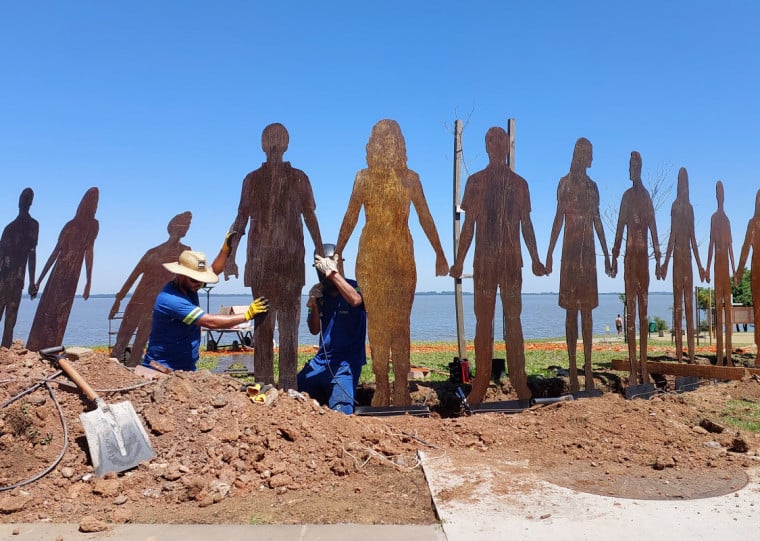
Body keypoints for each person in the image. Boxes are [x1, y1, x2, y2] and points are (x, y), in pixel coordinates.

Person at [336, 119, 448, 407]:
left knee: (400, 324)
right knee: (376, 325)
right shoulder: (363, 178)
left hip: (401, 257)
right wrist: (337, 252)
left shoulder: (410, 178)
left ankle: (400, 387)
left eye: (390, 140)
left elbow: (425, 216)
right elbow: (350, 216)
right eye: (379, 140)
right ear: (373, 145)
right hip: (371, 256)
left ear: (398, 145)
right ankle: (381, 387)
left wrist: (439, 252)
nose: (384, 145)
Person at [450, 126, 546, 404]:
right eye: (490, 140)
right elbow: (468, 227)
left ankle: (520, 382)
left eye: (500, 140)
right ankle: (480, 384)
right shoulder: (475, 182)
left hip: (511, 261)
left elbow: (526, 225)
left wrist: (535, 258)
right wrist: (459, 262)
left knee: (514, 320)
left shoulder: (520, 184)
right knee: (483, 321)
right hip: (484, 262)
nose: (495, 144)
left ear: (507, 146)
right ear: (486, 146)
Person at [224, 123, 323, 390]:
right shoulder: (252, 179)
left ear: (287, 145)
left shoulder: (300, 178)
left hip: (291, 264)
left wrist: (319, 248)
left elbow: (310, 215)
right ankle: (263, 383)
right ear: (264, 145)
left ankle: (289, 386)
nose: (276, 146)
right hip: (260, 264)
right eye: (271, 141)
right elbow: (240, 219)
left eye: (280, 141)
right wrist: (230, 255)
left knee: (289, 330)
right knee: (263, 327)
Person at [143, 234, 269, 372]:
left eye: (201, 279)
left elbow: (215, 269)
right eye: (195, 280)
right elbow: (209, 322)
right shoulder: (171, 300)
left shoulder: (188, 286)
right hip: (161, 369)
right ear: (180, 275)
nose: (199, 284)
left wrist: (225, 249)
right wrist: (247, 315)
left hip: (185, 369)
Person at [546, 137, 612, 393]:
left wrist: (607, 253)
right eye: (590, 155)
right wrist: (550, 253)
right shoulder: (565, 183)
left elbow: (597, 220)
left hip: (589, 253)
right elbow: (558, 219)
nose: (592, 160)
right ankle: (573, 370)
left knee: (587, 312)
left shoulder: (593, 187)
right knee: (571, 311)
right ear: (581, 155)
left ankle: (588, 370)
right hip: (570, 253)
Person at [109, 211, 192, 366]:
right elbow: (133, 277)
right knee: (122, 336)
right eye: (184, 224)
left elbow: (187, 280)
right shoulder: (152, 252)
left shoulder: (185, 252)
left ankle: (133, 370)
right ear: (174, 226)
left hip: (157, 303)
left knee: (141, 340)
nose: (186, 228)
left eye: (188, 225)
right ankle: (110, 370)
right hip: (138, 300)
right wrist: (118, 300)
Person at [611, 151, 662, 385]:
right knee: (631, 313)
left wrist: (659, 259)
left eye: (633, 165)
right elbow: (620, 230)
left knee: (643, 312)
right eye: (629, 165)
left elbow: (653, 230)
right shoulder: (626, 197)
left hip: (643, 261)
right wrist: (613, 257)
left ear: (639, 168)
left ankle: (643, 367)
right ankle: (633, 369)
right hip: (630, 259)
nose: (630, 170)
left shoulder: (646, 198)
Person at [27, 187, 99, 352]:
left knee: (61, 312)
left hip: (72, 273)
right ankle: (35, 347)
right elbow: (56, 252)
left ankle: (51, 347)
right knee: (48, 308)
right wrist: (39, 280)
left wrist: (89, 281)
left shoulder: (93, 226)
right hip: (61, 272)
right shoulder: (71, 225)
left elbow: (89, 251)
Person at [297, 244, 366, 414]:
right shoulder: (320, 294)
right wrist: (313, 304)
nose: (323, 274)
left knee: (342, 411)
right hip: (320, 362)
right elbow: (314, 329)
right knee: (292, 393)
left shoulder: (355, 286)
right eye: (320, 269)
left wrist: (332, 273)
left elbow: (356, 301)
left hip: (345, 364)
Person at [660, 168, 705, 363]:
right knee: (679, 308)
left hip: (687, 263)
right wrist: (665, 262)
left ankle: (692, 355)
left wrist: (701, 266)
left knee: (688, 306)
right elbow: (672, 237)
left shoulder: (689, 208)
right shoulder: (675, 206)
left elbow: (693, 238)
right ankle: (680, 354)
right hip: (678, 262)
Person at [0, 188, 39, 348]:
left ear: (30, 203)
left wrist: (31, 281)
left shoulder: (33, 226)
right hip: (3, 277)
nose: (24, 201)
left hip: (18, 278)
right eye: (23, 197)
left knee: (12, 313)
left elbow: (32, 253)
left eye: (27, 198)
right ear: (19, 201)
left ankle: (5, 348)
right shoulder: (9, 228)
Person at [705, 180, 736, 366]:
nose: (720, 195)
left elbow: (731, 247)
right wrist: (708, 268)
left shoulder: (727, 220)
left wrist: (734, 270)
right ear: (716, 196)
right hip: (717, 268)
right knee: (718, 309)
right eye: (718, 192)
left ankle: (729, 357)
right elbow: (710, 244)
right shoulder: (714, 219)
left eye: (722, 192)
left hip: (725, 272)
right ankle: (718, 357)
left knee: (729, 315)